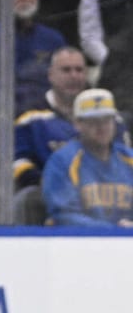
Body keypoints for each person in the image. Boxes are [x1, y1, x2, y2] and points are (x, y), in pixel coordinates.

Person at [43, 87, 133, 225]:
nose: (101, 127)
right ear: (77, 124)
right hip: (77, 244)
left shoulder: (129, 158)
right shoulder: (63, 161)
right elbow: (63, 216)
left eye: (107, 120)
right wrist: (114, 231)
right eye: (93, 121)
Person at [14, 46, 93, 188]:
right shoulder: (30, 117)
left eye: (79, 70)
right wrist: (46, 184)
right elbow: (18, 161)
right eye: (66, 70)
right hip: (47, 200)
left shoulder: (102, 114)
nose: (73, 76)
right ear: (51, 75)